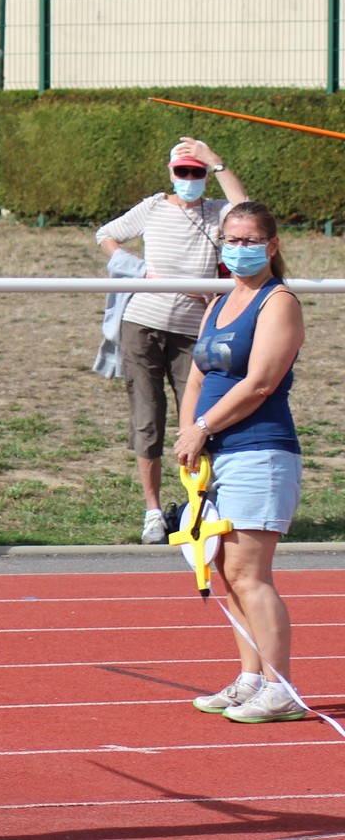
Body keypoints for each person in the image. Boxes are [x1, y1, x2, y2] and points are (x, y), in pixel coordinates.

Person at [173, 202, 305, 724]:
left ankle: (280, 688)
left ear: (271, 245)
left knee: (250, 573)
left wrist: (204, 427)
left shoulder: (279, 302)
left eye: (249, 240)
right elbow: (197, 377)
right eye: (231, 239)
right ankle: (251, 678)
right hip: (216, 454)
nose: (238, 248)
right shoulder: (220, 303)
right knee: (227, 571)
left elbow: (261, 383)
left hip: (259, 451)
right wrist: (188, 433)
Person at [95, 137, 248, 544]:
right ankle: (153, 511)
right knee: (147, 419)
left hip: (194, 331)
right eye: (183, 171)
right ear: (170, 172)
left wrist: (215, 160)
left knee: (198, 420)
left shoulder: (217, 212)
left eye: (197, 172)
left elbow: (247, 210)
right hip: (142, 325)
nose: (189, 178)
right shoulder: (154, 206)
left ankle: (198, 505)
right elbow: (106, 236)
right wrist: (137, 269)